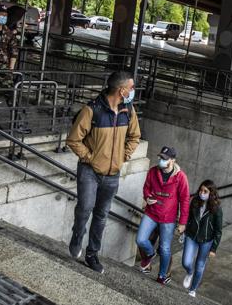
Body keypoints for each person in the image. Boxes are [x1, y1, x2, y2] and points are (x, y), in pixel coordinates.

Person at [66, 71, 141, 273]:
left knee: (102, 215)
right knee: (85, 208)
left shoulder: (128, 110)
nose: (133, 91)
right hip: (90, 171)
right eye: (131, 87)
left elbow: (135, 136)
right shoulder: (92, 110)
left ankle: (92, 254)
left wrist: (123, 155)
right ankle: (77, 236)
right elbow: (73, 139)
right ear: (121, 90)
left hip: (112, 174)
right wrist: (90, 158)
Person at [137, 146, 190, 285]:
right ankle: (150, 254)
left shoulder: (181, 177)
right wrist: (147, 196)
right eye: (160, 157)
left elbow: (185, 200)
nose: (161, 160)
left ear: (173, 160)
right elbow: (146, 187)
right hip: (151, 213)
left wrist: (183, 222)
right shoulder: (153, 171)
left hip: (168, 219)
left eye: (164, 159)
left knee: (165, 248)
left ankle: (162, 275)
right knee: (141, 239)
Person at [182, 180, 223, 298]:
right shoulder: (195, 201)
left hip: (206, 240)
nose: (202, 193)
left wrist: (214, 248)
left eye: (205, 191)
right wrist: (184, 231)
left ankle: (192, 289)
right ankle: (189, 272)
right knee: (186, 262)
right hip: (192, 235)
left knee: (200, 265)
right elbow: (188, 218)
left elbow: (218, 230)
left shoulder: (216, 208)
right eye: (201, 190)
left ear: (211, 193)